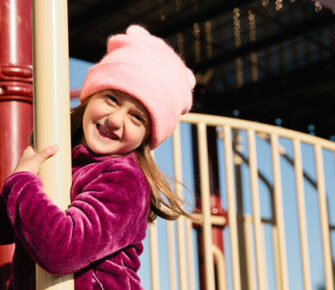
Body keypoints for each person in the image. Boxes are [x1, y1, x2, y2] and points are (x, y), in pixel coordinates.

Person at [0, 25, 196, 289]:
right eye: (112, 99)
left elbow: (61, 251)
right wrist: (15, 189)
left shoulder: (125, 180)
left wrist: (21, 184)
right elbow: (7, 228)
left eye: (136, 117)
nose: (116, 120)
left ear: (146, 137)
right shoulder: (60, 158)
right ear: (90, 97)